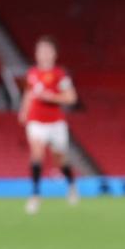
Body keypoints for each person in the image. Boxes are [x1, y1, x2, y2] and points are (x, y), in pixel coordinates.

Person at [18, 36, 79, 214]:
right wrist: (24, 110)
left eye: (47, 50)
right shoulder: (31, 73)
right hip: (36, 121)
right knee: (36, 154)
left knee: (60, 160)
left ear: (54, 53)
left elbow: (71, 97)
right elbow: (29, 94)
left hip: (56, 123)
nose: (43, 53)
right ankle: (35, 194)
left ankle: (71, 185)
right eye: (40, 50)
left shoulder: (60, 74)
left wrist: (52, 97)